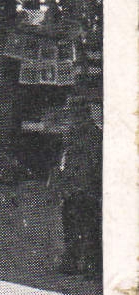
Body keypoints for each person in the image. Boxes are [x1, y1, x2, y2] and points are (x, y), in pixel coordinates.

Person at [54, 99, 102, 279]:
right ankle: (72, 261)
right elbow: (65, 161)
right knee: (71, 225)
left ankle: (93, 266)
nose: (72, 117)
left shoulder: (93, 136)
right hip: (71, 188)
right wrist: (62, 182)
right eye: (71, 113)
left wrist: (82, 187)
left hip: (85, 189)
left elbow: (92, 165)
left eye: (75, 113)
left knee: (88, 227)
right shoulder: (71, 134)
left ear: (84, 114)